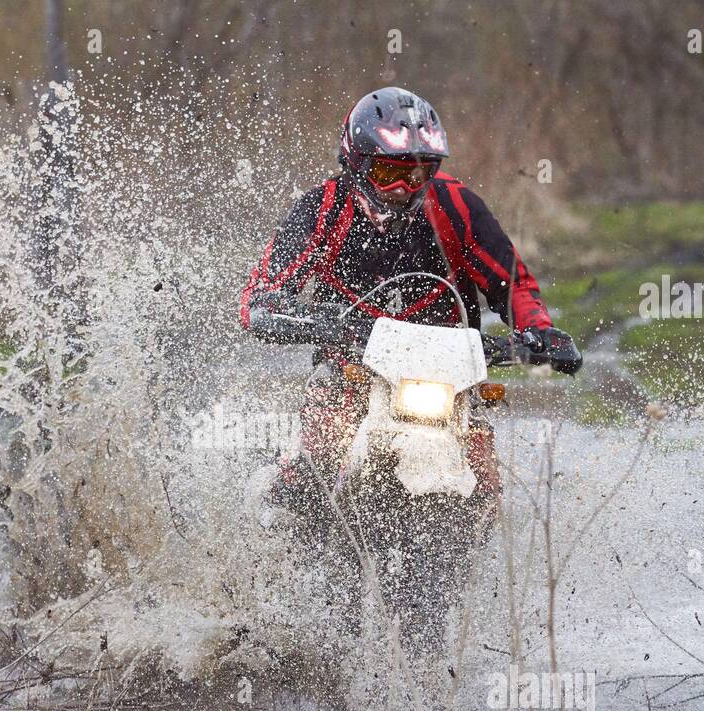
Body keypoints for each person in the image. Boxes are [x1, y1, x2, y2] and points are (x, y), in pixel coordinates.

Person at [240, 86, 580, 516]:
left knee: (484, 483)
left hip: (447, 377)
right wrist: (300, 317)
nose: (404, 188)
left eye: (418, 174)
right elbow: (260, 297)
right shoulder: (324, 208)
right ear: (357, 165)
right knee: (314, 467)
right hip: (352, 371)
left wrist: (540, 332)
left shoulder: (457, 206)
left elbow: (513, 285)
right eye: (388, 174)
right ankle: (284, 544)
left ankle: (472, 550)